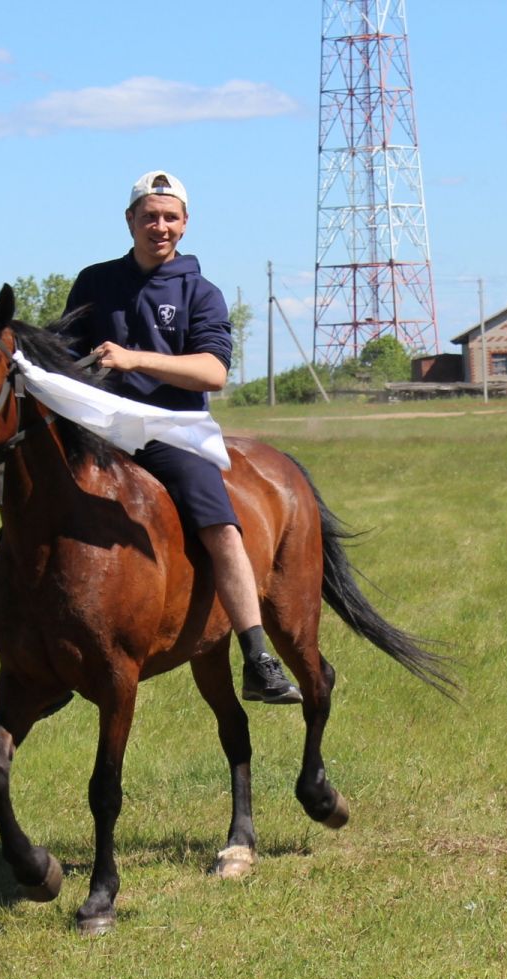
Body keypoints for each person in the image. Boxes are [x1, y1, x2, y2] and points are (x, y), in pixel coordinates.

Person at [61, 169, 301, 704]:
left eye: (170, 217)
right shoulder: (94, 282)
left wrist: (134, 359)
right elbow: (63, 352)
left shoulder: (201, 292)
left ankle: (257, 655)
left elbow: (213, 373)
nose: (159, 226)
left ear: (185, 224)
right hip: (101, 427)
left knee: (221, 526)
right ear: (130, 221)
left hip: (173, 431)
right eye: (149, 216)